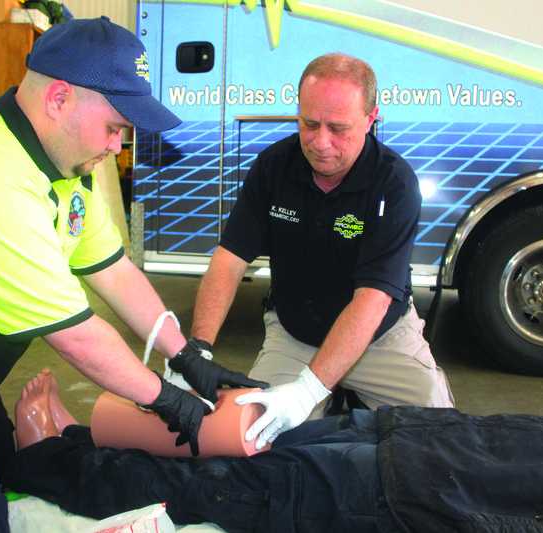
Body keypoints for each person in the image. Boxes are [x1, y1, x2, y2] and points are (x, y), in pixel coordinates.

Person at [0, 17, 264, 532]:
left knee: (9, 475)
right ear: (58, 99)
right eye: (115, 127)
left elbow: (113, 271)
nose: (119, 147)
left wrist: (184, 353)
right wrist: (165, 399)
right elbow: (75, 335)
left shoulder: (68, 169)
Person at [5, 370, 543, 533]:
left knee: (223, 487)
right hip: (435, 443)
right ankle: (76, 439)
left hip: (419, 491)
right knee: (247, 436)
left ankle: (51, 461)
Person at [190, 52, 453, 450]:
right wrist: (197, 351)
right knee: (259, 443)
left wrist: (307, 391)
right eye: (309, 124)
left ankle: (336, 396)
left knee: (440, 442)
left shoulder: (395, 183)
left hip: (380, 337)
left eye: (339, 128)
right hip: (298, 332)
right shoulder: (273, 168)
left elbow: (373, 299)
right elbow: (229, 260)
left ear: (371, 118)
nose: (320, 142)